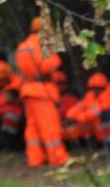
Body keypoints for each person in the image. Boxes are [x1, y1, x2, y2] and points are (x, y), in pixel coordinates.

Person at [13, 17, 68, 168]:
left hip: (29, 89)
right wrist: (55, 61)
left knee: (33, 127)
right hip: (41, 90)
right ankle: (58, 158)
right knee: (50, 125)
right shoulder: (41, 45)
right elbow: (46, 67)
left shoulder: (23, 46)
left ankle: (35, 158)